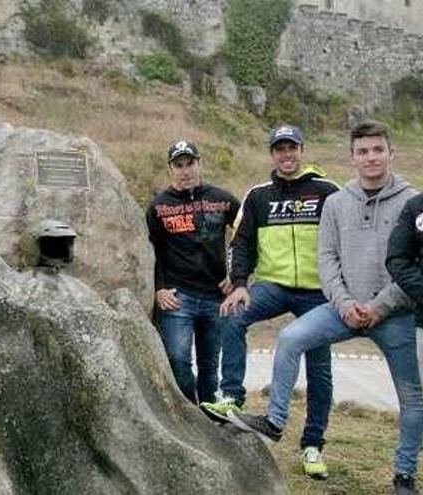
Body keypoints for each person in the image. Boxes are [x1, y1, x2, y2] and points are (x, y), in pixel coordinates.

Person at [228, 121, 422, 494]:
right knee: (290, 337)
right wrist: (346, 304)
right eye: (363, 151)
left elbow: (415, 268)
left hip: (395, 313)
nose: (371, 157)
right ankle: (274, 421)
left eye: (377, 149)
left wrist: (380, 306)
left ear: (391, 154)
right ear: (352, 158)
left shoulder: (413, 202)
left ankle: (403, 475)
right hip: (343, 307)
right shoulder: (336, 203)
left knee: (413, 398)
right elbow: (327, 259)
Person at [200, 125, 339, 479]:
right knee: (233, 314)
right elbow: (241, 242)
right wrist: (241, 285)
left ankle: (312, 444)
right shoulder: (259, 195)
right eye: (279, 149)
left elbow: (346, 238)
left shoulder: (326, 191)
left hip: (318, 291)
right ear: (272, 154)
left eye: (292, 147)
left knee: (319, 366)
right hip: (273, 285)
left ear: (302, 150)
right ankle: (232, 397)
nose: (286, 155)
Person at [145, 140, 239, 405]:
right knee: (177, 358)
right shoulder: (158, 207)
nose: (185, 171)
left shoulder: (222, 200)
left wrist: (237, 275)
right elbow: (149, 252)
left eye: (190, 164)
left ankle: (209, 416)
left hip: (216, 297)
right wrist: (159, 288)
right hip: (177, 297)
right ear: (170, 169)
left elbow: (247, 234)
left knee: (210, 366)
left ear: (199, 164)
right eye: (179, 165)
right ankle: (190, 412)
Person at [387, 163, 423, 495]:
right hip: (422, 320)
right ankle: (405, 474)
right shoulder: (415, 207)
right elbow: (397, 259)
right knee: (418, 399)